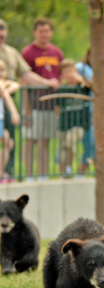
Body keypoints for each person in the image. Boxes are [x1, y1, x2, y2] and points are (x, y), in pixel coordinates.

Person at [0, 18, 59, 179]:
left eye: (3, 36)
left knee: (9, 140)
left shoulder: (11, 52)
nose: (1, 39)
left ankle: (7, 173)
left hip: (7, 100)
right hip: (14, 98)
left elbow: (25, 74)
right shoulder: (28, 51)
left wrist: (46, 82)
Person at [21, 17, 63, 179]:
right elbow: (23, 80)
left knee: (45, 141)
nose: (44, 35)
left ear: (51, 32)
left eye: (47, 31)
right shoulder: (28, 52)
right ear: (35, 33)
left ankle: (43, 174)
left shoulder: (56, 52)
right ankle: (29, 175)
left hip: (51, 104)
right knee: (31, 140)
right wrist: (26, 109)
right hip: (34, 103)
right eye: (41, 31)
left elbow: (59, 77)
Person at [56, 59, 91, 178]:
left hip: (80, 124)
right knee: (62, 149)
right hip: (64, 124)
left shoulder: (84, 87)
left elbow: (93, 86)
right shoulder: (61, 89)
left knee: (70, 142)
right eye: (66, 72)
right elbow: (57, 109)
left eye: (71, 71)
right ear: (62, 75)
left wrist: (81, 79)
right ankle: (64, 173)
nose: (69, 74)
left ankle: (71, 169)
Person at [0, 60, 20, 182]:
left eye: (2, 71)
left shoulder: (3, 85)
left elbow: (15, 85)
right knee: (7, 141)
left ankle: (2, 172)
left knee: (8, 141)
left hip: (0, 119)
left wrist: (3, 91)